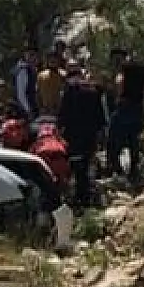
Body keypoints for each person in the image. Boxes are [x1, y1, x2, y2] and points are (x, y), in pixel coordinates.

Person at [57, 60, 107, 208]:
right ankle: (85, 197)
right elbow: (100, 115)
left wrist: (59, 130)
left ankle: (75, 198)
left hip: (73, 134)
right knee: (85, 164)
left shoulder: (69, 90)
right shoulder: (93, 90)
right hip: (89, 134)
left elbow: (63, 114)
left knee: (74, 165)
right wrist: (101, 132)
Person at [105, 48, 144, 183]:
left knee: (113, 140)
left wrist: (118, 97)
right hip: (137, 109)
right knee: (134, 142)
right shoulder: (143, 70)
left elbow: (120, 85)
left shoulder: (124, 70)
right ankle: (133, 171)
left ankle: (115, 169)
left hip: (125, 109)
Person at [10, 48, 40, 120]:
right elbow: (21, 94)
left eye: (34, 55)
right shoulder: (23, 70)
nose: (33, 58)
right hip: (24, 110)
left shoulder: (32, 69)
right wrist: (28, 110)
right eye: (30, 55)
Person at [37, 50, 66, 116]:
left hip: (59, 110)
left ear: (58, 61)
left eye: (55, 59)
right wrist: (41, 107)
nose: (53, 61)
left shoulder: (63, 75)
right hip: (45, 110)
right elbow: (38, 93)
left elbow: (63, 92)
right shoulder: (41, 75)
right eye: (50, 59)